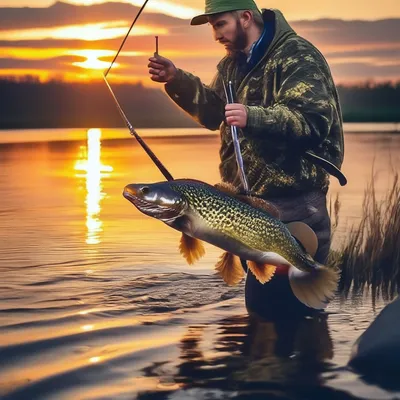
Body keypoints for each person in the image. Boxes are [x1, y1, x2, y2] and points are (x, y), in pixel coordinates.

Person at [148, 0, 345, 318]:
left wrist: (253, 117)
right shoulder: (231, 65)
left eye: (220, 24)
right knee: (264, 312)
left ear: (245, 17)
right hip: (247, 209)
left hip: (296, 205)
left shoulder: (298, 56)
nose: (216, 35)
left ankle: (306, 361)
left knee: (291, 310)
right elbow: (214, 114)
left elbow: (312, 123)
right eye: (212, 27)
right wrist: (176, 80)